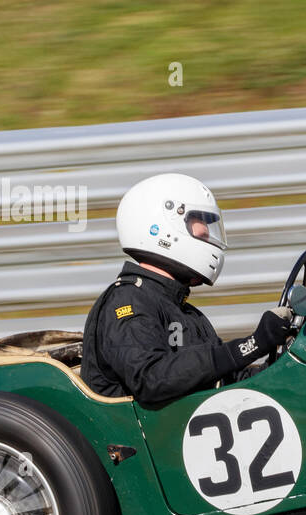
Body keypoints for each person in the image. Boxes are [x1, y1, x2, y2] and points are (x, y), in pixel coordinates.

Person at [81, 173, 293, 405]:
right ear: (162, 226)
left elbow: (231, 382)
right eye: (197, 220)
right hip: (135, 438)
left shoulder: (186, 313)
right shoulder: (126, 299)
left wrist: (286, 361)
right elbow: (151, 379)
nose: (204, 231)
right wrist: (252, 344)